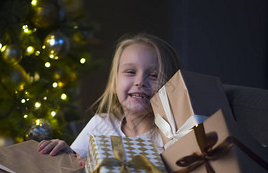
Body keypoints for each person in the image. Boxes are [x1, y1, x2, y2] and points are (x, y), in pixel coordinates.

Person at [37, 33, 181, 160]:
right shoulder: (100, 125)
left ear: (171, 87)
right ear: (113, 84)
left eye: (154, 75)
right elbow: (74, 168)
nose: (140, 82)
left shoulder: (173, 140)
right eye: (130, 72)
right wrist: (65, 154)